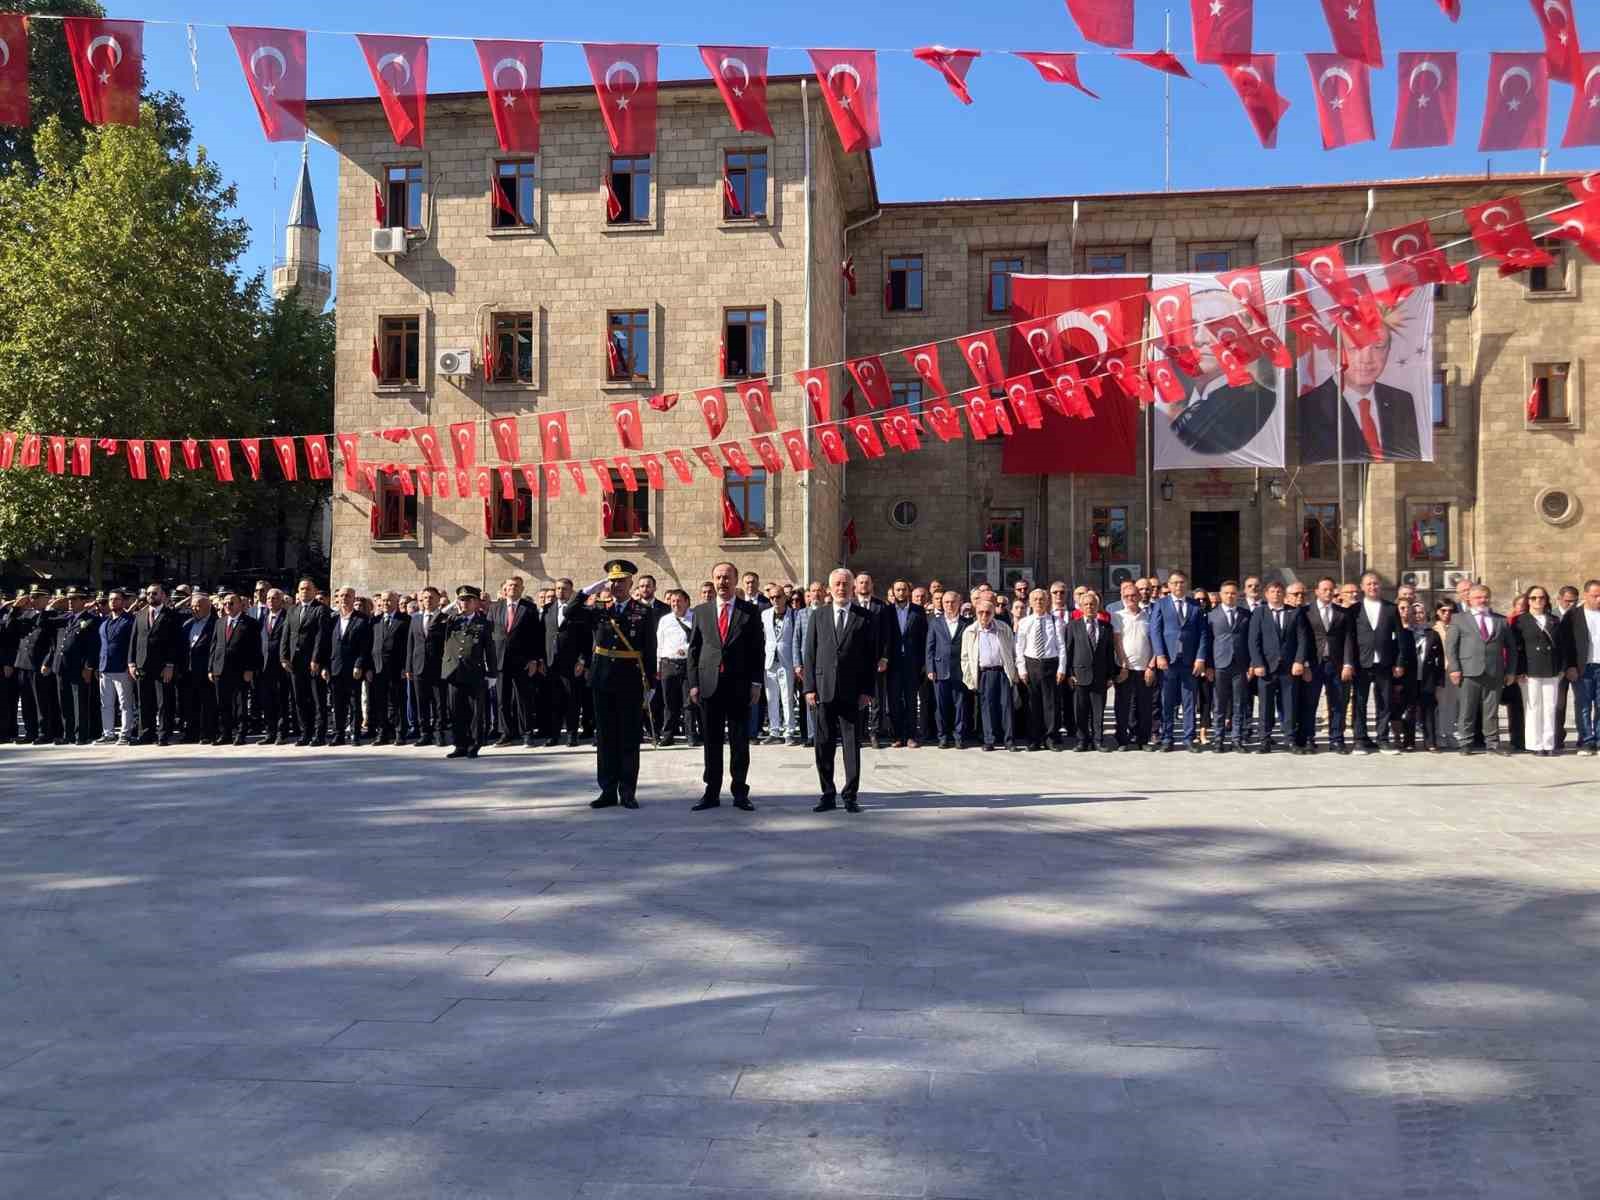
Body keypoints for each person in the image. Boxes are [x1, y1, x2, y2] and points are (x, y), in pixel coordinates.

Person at [566, 560, 657, 809]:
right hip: (602, 679)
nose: (617, 585)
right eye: (612, 580)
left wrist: (651, 683)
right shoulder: (599, 608)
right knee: (605, 737)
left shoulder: (644, 611)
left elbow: (649, 649)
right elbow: (569, 612)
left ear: (631, 583)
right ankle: (607, 789)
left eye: (622, 581)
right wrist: (589, 590)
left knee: (629, 736)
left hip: (630, 680)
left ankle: (628, 790)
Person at [687, 561, 762, 811]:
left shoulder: (749, 612)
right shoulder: (701, 612)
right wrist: (694, 684)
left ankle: (740, 792)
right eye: (718, 577)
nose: (722, 582)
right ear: (713, 580)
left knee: (739, 741)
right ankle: (711, 792)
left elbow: (756, 651)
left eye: (727, 577)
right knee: (711, 741)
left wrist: (755, 683)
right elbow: (693, 652)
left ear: (736, 579)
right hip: (709, 686)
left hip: (739, 686)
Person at [1297, 321, 1422, 464]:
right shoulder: (1308, 406)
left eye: (1378, 347)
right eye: (1355, 348)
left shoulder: (1402, 401)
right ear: (1334, 354)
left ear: (1388, 351)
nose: (1367, 360)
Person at [803, 567, 876, 812]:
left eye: (846, 584)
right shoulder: (818, 616)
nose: (841, 588)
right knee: (823, 744)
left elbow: (869, 657)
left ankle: (850, 795)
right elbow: (810, 653)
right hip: (822, 690)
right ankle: (827, 793)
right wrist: (809, 687)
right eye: (837, 584)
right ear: (829, 588)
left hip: (853, 692)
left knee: (851, 745)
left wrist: (867, 690)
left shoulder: (864, 617)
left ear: (853, 587)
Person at [1444, 584, 1515, 756]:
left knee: (1491, 710)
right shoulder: (1459, 619)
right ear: (1469, 599)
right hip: (1469, 671)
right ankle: (1466, 742)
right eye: (1478, 597)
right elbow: (1451, 646)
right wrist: (1454, 669)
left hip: (1494, 671)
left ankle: (1492, 743)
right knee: (1467, 709)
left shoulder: (1500, 620)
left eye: (1485, 597)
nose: (1482, 600)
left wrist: (1511, 671)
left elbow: (1511, 648)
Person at [1149, 569, 1211, 752]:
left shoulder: (1195, 606)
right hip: (1168, 660)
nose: (1178, 586)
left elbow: (1203, 633)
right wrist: (1159, 655)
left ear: (1186, 585)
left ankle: (1188, 738)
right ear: (1168, 586)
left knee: (1189, 700)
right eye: (1175, 583)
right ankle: (1167, 737)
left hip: (1190, 661)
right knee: (1167, 700)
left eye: (1182, 582)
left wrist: (1200, 657)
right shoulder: (1160, 604)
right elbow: (1155, 631)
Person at [1349, 571, 1405, 753]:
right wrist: (1349, 663)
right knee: (1360, 701)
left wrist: (1398, 662)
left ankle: (1382, 738)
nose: (1373, 587)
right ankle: (1360, 739)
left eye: (1376, 584)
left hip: (1384, 662)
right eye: (1369, 584)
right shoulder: (1354, 610)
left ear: (1380, 586)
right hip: (1361, 663)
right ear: (1362, 587)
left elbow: (1399, 639)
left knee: (1384, 701)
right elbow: (1349, 639)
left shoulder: (1390, 608)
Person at [1297, 577, 1353, 754]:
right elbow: (1302, 640)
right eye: (1325, 589)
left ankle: (1336, 739)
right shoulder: (1306, 612)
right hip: (1314, 664)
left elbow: (1348, 641)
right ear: (1317, 591)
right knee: (1310, 703)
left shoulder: (1342, 613)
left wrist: (1347, 664)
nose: (1328, 592)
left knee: (1338, 702)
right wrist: (1304, 664)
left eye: (1331, 589)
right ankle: (1308, 739)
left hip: (1336, 664)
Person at [488, 577, 544, 748]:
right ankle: (506, 733)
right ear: (504, 589)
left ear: (522, 589)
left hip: (523, 661)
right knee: (502, 700)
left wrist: (534, 659)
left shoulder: (529, 608)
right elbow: (489, 636)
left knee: (523, 698)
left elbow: (537, 636)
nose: (512, 588)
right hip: (500, 661)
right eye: (509, 585)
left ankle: (527, 733)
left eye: (516, 586)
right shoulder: (495, 608)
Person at [1062, 589, 1121, 751]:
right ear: (1081, 607)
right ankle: (1082, 740)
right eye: (1086, 604)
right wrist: (1069, 674)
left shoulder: (1106, 627)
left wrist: (1110, 675)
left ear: (1098, 606)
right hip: (1079, 675)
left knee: (1098, 711)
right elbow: (1068, 651)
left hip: (1100, 676)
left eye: (1092, 604)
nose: (1089, 607)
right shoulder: (1072, 626)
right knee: (1080, 710)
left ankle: (1098, 740)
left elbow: (1110, 652)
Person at [960, 596, 1021, 752]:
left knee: (1006, 707)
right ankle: (989, 740)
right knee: (986, 708)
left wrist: (1015, 673)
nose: (984, 616)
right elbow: (965, 658)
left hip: (1002, 672)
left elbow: (1014, 652)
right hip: (984, 674)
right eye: (981, 612)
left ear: (993, 613)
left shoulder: (1003, 628)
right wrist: (970, 679)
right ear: (976, 613)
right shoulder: (970, 631)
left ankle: (1009, 740)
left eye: (988, 612)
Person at [1249, 580, 1301, 754]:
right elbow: (1253, 641)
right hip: (1266, 668)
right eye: (1272, 591)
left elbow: (1302, 640)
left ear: (1284, 594)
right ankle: (1264, 740)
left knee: (1290, 704)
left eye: (1279, 591)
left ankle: (1290, 739)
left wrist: (1299, 661)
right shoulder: (1259, 613)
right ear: (1266, 594)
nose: (1276, 594)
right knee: (1265, 706)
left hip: (1288, 667)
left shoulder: (1293, 613)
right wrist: (1257, 663)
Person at [1512, 586, 1564, 757]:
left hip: (1551, 668)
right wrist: (1518, 670)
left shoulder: (1554, 620)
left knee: (1550, 707)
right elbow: (1516, 649)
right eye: (1533, 598)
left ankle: (1549, 743)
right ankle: (1535, 744)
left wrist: (1562, 668)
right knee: (1533, 707)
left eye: (1541, 597)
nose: (1538, 601)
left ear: (1546, 600)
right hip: (1529, 669)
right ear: (1528, 601)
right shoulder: (1521, 621)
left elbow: (1562, 647)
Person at [442, 585, 492, 759]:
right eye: (461, 600)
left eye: (468, 600)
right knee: (456, 711)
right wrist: (449, 607)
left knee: (475, 712)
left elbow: (490, 649)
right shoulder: (451, 621)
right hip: (454, 672)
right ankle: (459, 744)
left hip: (474, 673)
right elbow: (433, 624)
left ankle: (474, 744)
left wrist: (492, 673)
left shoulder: (484, 623)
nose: (464, 603)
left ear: (476, 602)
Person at [130, 583, 183, 746]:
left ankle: (163, 734)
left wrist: (170, 665)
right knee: (144, 702)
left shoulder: (171, 615)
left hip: (162, 667)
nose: (150, 596)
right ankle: (146, 733)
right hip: (142, 665)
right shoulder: (140, 614)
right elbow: (134, 639)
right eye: (148, 594)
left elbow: (176, 643)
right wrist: (131, 662)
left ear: (163, 596)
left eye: (154, 594)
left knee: (163, 703)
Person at [208, 592, 261, 746]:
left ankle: (241, 733)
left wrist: (250, 669)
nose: (228, 606)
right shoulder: (220, 622)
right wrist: (211, 668)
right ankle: (225, 734)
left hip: (241, 670)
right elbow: (214, 646)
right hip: (220, 669)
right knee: (223, 704)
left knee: (240, 704)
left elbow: (255, 649)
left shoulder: (250, 623)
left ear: (240, 605)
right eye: (225, 603)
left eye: (232, 603)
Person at [48, 588, 100, 746]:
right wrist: (52, 606)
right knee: (65, 702)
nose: (70, 602)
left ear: (83, 601)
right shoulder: (66, 618)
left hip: (79, 668)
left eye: (74, 599)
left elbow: (93, 646)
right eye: (69, 599)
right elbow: (44, 621)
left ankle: (81, 735)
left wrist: (89, 667)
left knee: (80, 703)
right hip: (61, 666)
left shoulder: (90, 620)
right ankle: (68, 733)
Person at [282, 578, 330, 747]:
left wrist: (316, 659)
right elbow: (286, 634)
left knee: (317, 699)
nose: (304, 592)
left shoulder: (321, 610)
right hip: (295, 663)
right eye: (302, 589)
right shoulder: (293, 610)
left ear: (314, 591)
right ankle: (305, 733)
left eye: (308, 589)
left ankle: (319, 734)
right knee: (300, 699)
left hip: (313, 662)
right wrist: (284, 657)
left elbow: (321, 636)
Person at [1204, 580, 1251, 753]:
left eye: (1233, 593)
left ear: (1238, 595)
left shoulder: (1246, 614)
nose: (1230, 596)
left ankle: (1237, 739)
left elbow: (1251, 641)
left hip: (1240, 664)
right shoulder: (1211, 616)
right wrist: (1208, 665)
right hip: (1219, 664)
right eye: (1227, 593)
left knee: (1239, 704)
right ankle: (1218, 739)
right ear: (1220, 595)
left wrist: (1251, 664)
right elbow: (1207, 642)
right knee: (1219, 704)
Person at [1014, 588, 1063, 752]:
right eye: (1035, 599)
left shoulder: (1056, 621)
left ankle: (1050, 738)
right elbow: (1019, 647)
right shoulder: (1025, 622)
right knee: (1032, 704)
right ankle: (1034, 739)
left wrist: (1061, 668)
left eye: (1042, 599)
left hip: (1050, 664)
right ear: (1030, 602)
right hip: (1031, 664)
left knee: (1051, 704)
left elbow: (1061, 646)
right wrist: (1022, 669)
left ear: (1047, 601)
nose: (1039, 602)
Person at [543, 577, 589, 748]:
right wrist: (542, 659)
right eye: (558, 589)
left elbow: (586, 639)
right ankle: (553, 735)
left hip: (572, 663)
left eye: (564, 589)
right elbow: (543, 636)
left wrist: (583, 661)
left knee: (572, 700)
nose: (561, 592)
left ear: (571, 591)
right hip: (551, 662)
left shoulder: (580, 611)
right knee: (554, 700)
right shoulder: (548, 609)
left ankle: (571, 734)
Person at [1110, 580, 1155, 751]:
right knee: (1122, 706)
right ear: (1122, 597)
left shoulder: (1148, 616)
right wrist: (1122, 664)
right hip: (1125, 668)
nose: (1130, 598)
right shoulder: (1118, 616)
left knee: (1145, 706)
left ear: (1139, 596)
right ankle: (1122, 740)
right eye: (1127, 596)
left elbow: (1155, 642)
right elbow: (1117, 642)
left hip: (1145, 668)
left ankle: (1143, 740)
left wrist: (1151, 666)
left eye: (1133, 595)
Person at [1557, 578, 1600, 756]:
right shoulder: (1573, 615)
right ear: (1586, 595)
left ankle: (1598, 739)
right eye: (1595, 595)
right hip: (1582, 667)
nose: (1599, 599)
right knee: (1583, 705)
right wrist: (1570, 666)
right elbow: (1566, 644)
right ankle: (1586, 740)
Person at [924, 587, 970, 749]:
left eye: (953, 602)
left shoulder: (967, 623)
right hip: (939, 669)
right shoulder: (935, 623)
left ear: (959, 603)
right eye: (946, 602)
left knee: (960, 705)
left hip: (960, 670)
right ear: (942, 604)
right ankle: (942, 736)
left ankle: (958, 736)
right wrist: (930, 668)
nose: (950, 605)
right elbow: (929, 647)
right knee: (941, 706)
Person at [406, 586, 451, 747]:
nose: (428, 600)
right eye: (425, 598)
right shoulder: (415, 619)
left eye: (431, 597)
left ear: (438, 600)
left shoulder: (445, 618)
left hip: (438, 666)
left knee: (440, 702)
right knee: (421, 701)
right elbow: (411, 644)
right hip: (418, 666)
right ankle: (425, 733)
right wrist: (408, 668)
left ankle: (440, 733)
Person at [1400, 601, 1448, 752]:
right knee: (1410, 710)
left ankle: (1430, 742)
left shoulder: (1432, 633)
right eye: (1414, 613)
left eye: (1421, 612)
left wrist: (1440, 679)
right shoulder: (1405, 632)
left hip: (1427, 677)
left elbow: (1440, 658)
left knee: (1428, 710)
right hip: (1409, 678)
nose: (1418, 616)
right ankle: (1409, 741)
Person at [96, 588, 138, 745]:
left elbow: (132, 645)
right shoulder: (105, 621)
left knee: (125, 704)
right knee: (106, 704)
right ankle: (108, 733)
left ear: (124, 601)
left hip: (122, 667)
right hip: (105, 667)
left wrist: (131, 664)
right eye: (111, 599)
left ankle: (125, 734)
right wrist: (98, 667)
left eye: (117, 599)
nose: (113, 602)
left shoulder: (129, 620)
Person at [368, 591, 410, 746]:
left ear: (396, 601)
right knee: (380, 703)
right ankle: (382, 733)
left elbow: (407, 646)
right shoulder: (375, 621)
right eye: (383, 600)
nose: (386, 603)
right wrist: (369, 668)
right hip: (378, 668)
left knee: (397, 702)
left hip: (397, 668)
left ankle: (400, 733)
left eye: (389, 600)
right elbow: (370, 646)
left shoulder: (405, 620)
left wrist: (406, 667)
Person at [759, 583, 796, 748]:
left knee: (787, 698)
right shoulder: (765, 614)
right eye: (772, 597)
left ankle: (789, 732)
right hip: (769, 660)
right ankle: (774, 731)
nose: (775, 600)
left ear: (785, 597)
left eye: (778, 597)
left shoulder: (793, 615)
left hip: (786, 661)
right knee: (771, 697)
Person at [254, 589, 290, 744]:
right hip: (264, 665)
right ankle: (270, 732)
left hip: (281, 665)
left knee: (282, 700)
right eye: (268, 598)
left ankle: (282, 733)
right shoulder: (262, 618)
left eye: (274, 598)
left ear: (281, 601)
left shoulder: (288, 616)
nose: (270, 601)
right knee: (267, 700)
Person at [1553, 584, 1580, 751]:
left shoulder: (1580, 616)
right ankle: (1557, 737)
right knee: (1558, 704)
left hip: (1578, 666)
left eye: (1574, 601)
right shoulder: (1552, 616)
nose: (1571, 605)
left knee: (1582, 703)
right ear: (1559, 599)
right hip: (1557, 668)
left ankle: (1584, 736)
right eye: (1568, 601)